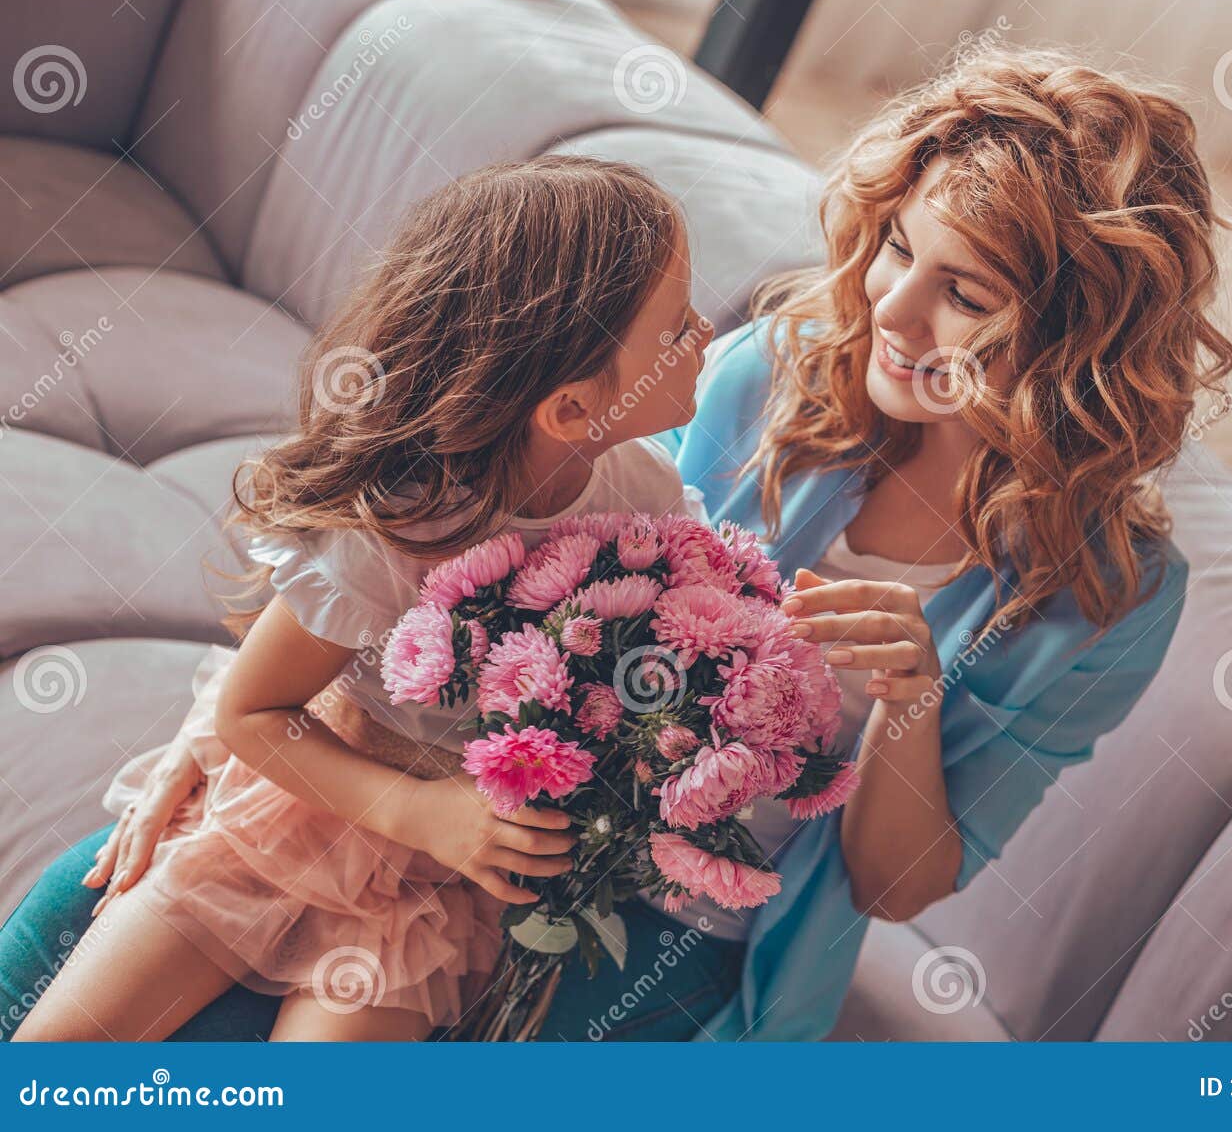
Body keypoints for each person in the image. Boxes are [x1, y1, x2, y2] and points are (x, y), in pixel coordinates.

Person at [8, 156, 725, 1041]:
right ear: (572, 409)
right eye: (676, 330)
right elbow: (253, 712)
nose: (704, 332)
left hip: (435, 886)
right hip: (295, 818)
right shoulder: (400, 525)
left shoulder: (644, 496)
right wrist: (418, 811)